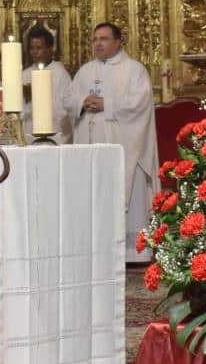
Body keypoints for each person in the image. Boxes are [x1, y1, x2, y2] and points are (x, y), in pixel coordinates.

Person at [66, 23, 159, 263]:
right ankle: (97, 251)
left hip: (126, 147)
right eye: (95, 39)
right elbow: (69, 99)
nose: (98, 43)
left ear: (119, 42)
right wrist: (82, 102)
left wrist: (107, 105)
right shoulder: (85, 71)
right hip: (90, 146)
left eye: (104, 39)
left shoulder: (134, 70)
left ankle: (132, 253)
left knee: (125, 193)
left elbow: (140, 103)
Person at [21, 25, 74, 144]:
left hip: (54, 135)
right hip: (29, 135)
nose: (34, 52)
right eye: (31, 48)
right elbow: (19, 112)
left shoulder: (60, 74)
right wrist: (25, 99)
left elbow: (66, 109)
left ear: (50, 49)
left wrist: (37, 95)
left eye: (39, 47)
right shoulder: (24, 75)